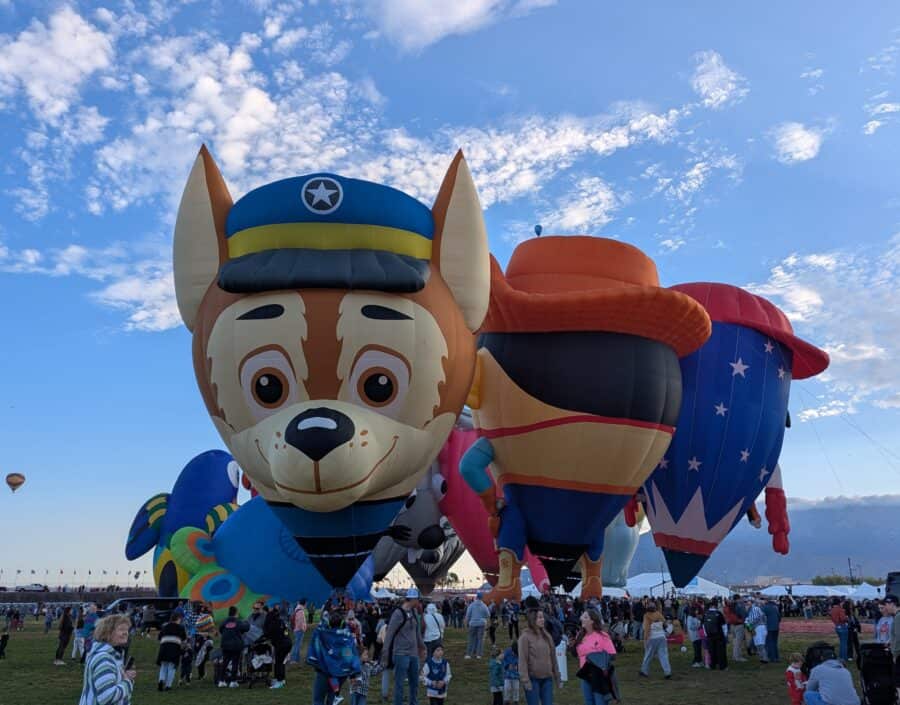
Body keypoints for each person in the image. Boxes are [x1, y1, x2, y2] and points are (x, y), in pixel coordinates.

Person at [78, 615, 136, 705]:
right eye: (121, 629)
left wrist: (123, 675)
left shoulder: (111, 655)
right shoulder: (104, 659)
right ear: (108, 632)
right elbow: (107, 697)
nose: (126, 633)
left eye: (127, 629)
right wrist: (127, 682)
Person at [382, 589, 426, 705]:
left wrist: (422, 646)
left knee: (414, 683)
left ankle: (414, 703)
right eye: (418, 600)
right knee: (399, 684)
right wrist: (385, 654)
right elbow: (389, 635)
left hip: (413, 654)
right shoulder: (398, 613)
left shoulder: (414, 612)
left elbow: (416, 632)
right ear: (413, 599)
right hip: (400, 653)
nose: (419, 602)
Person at [309, 608, 361, 705]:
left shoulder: (322, 633)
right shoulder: (347, 637)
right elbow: (350, 655)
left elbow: (315, 645)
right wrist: (353, 672)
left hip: (324, 671)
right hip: (340, 674)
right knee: (332, 699)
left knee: (318, 699)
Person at [571, 609, 615, 705]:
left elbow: (612, 655)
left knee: (600, 702)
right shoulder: (580, 635)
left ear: (592, 621)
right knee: (589, 702)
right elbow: (576, 654)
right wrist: (572, 646)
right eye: (582, 616)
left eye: (585, 617)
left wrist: (595, 658)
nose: (582, 618)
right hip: (585, 675)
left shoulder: (603, 636)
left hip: (599, 676)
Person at [518, 607, 560, 705]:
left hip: (547, 679)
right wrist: (525, 680)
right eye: (540, 618)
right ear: (533, 620)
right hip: (533, 679)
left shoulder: (547, 636)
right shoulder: (525, 637)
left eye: (543, 617)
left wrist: (557, 676)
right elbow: (522, 660)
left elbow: (553, 658)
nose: (543, 620)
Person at [639, 601, 671, 679]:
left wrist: (645, 640)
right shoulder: (658, 614)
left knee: (648, 655)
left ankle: (644, 671)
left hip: (652, 638)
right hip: (662, 637)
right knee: (663, 655)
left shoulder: (646, 616)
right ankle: (667, 672)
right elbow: (666, 624)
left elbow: (646, 629)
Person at [218, 606, 248, 688]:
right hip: (236, 645)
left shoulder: (224, 622)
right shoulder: (238, 622)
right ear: (236, 613)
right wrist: (246, 622)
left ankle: (221, 681)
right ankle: (233, 681)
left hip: (225, 645)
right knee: (235, 663)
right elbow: (246, 628)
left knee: (225, 663)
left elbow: (220, 629)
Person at [156, 609, 186, 691]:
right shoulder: (181, 627)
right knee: (171, 667)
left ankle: (161, 680)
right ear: (178, 619)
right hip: (174, 649)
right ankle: (168, 686)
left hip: (164, 648)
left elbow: (159, 637)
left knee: (163, 666)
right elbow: (184, 639)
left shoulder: (165, 626)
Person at [264, 602, 292, 689]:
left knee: (278, 662)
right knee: (281, 662)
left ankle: (279, 681)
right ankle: (281, 679)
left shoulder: (271, 624)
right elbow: (286, 631)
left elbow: (267, 634)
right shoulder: (280, 622)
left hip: (281, 644)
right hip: (288, 642)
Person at [465, 593, 491, 659]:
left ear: (476, 597)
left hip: (472, 623)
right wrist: (483, 617)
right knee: (480, 639)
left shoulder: (472, 605)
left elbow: (468, 614)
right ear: (482, 598)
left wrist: (467, 622)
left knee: (471, 638)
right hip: (482, 623)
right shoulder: (484, 605)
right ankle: (478, 654)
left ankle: (469, 654)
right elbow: (488, 614)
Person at [884, 594, 900, 703]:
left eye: (886, 605)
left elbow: (899, 638)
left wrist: (894, 654)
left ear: (892, 604)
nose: (885, 608)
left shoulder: (898, 617)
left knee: (899, 683)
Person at [746, 599, 768, 664]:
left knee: (760, 644)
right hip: (759, 628)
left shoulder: (755, 609)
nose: (746, 605)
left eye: (748, 603)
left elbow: (755, 619)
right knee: (759, 644)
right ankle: (762, 658)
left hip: (759, 628)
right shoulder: (750, 611)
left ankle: (764, 659)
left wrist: (751, 627)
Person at [762, 598, 781, 663]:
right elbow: (779, 617)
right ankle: (777, 657)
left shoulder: (764, 608)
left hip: (769, 627)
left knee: (769, 643)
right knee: (775, 643)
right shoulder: (775, 607)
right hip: (776, 627)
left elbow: (761, 617)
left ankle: (772, 658)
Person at [291, 598, 308, 664]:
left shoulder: (297, 609)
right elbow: (300, 622)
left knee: (297, 644)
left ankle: (296, 659)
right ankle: (293, 659)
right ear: (305, 603)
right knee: (297, 645)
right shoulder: (300, 611)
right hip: (299, 630)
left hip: (296, 629)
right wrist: (303, 628)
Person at [503, 641, 520, 705]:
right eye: (513, 652)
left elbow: (522, 661)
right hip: (507, 675)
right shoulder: (507, 651)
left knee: (516, 688)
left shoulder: (520, 653)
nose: (514, 654)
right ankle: (506, 700)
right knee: (507, 688)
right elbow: (503, 660)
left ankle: (516, 701)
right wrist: (507, 666)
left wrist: (518, 666)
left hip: (516, 675)